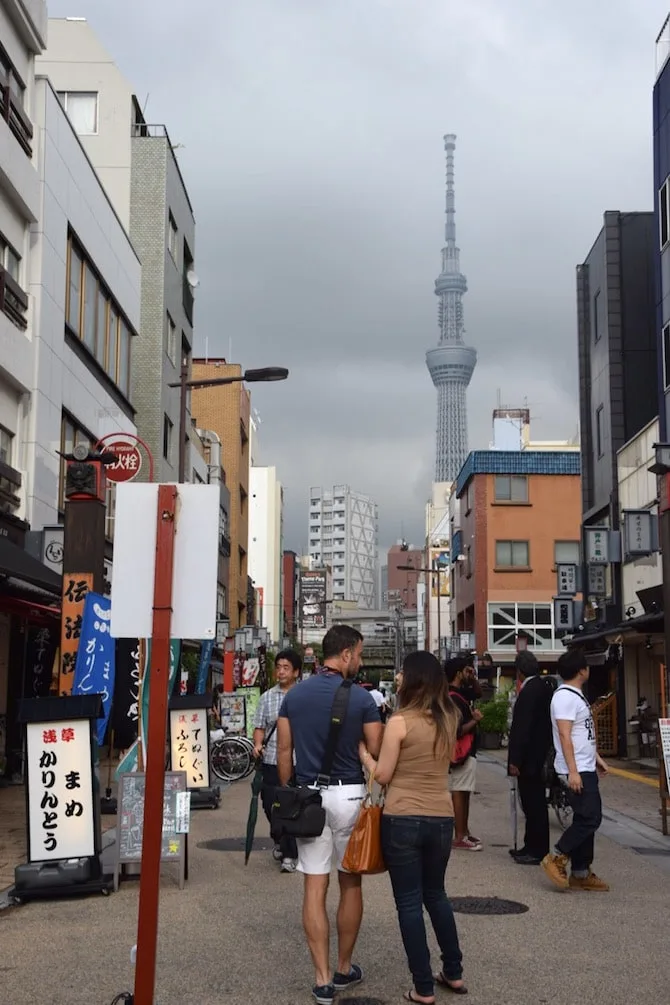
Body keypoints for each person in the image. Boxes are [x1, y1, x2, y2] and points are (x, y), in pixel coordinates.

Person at [277, 625, 383, 1005]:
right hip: (350, 796)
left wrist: (293, 793)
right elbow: (376, 749)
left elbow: (284, 753)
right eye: (359, 652)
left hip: (309, 801)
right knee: (350, 883)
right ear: (347, 654)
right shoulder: (363, 699)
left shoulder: (294, 696)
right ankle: (343, 967)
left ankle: (321, 980)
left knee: (314, 886)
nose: (361, 659)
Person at [360, 651, 466, 1003]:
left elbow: (385, 774)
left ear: (415, 678)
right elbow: (447, 761)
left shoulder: (399, 721)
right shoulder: (450, 716)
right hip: (441, 815)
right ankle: (453, 972)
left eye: (403, 672)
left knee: (408, 902)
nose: (400, 677)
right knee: (436, 894)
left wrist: (365, 757)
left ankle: (422, 987)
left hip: (402, 816)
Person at [541, 649, 610, 892]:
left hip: (583, 764)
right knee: (591, 817)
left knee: (585, 818)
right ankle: (557, 856)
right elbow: (564, 735)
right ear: (582, 670)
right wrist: (573, 771)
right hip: (576, 768)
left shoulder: (573, 695)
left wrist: (596, 758)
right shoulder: (565, 697)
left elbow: (582, 734)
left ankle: (581, 872)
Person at [252, 648, 302, 872]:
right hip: (271, 759)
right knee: (269, 804)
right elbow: (259, 727)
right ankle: (280, 839)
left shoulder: (304, 695)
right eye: (278, 667)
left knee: (293, 805)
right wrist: (257, 744)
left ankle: (289, 854)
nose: (281, 672)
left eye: (286, 668)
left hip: (298, 760)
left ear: (296, 672)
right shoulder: (267, 698)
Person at [507, 650, 552, 865]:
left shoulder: (529, 691)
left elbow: (521, 729)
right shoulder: (541, 688)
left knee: (533, 804)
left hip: (529, 759)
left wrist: (515, 759)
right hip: (538, 754)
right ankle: (531, 845)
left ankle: (536, 849)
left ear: (519, 671)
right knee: (534, 804)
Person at [444, 656, 482, 851]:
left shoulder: (457, 694)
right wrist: (475, 721)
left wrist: (472, 676)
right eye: (466, 670)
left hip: (466, 752)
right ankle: (459, 835)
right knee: (460, 792)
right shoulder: (453, 698)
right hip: (462, 752)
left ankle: (464, 831)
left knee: (464, 792)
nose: (469, 673)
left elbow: (478, 692)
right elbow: (457, 729)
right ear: (458, 673)